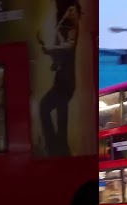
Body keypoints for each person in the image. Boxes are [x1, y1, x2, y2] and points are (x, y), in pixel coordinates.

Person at [37, 1, 82, 156]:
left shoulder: (71, 21)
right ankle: (60, 147)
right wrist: (52, 57)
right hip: (63, 78)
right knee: (61, 111)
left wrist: (50, 49)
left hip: (66, 80)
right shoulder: (64, 21)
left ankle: (54, 146)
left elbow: (69, 46)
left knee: (45, 106)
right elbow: (62, 51)